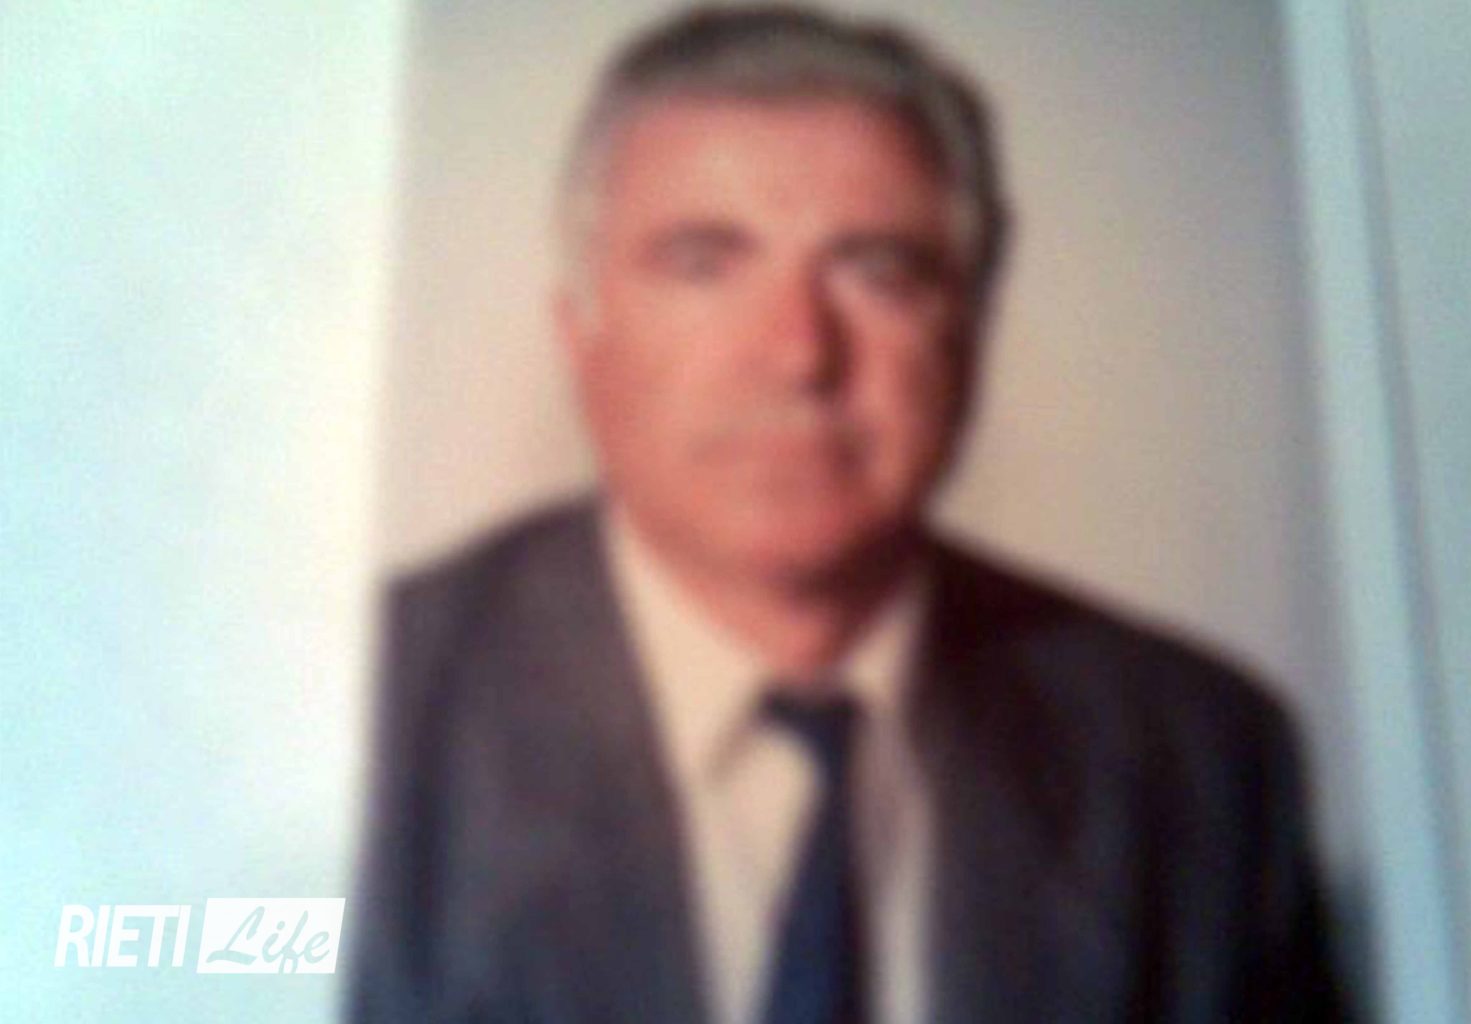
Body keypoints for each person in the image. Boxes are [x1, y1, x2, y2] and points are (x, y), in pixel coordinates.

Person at [348, 6, 1346, 1022]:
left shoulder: (1200, 762)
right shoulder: (349, 712)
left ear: (971, 333)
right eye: (703, 264)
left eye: (879, 272)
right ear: (580, 334)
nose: (797, 354)